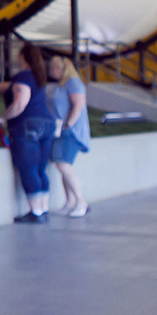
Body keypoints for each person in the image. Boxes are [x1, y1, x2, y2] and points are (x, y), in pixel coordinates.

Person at [0, 43, 58, 224]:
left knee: (28, 168)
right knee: (41, 169)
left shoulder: (23, 76)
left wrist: (2, 118)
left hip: (27, 126)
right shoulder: (39, 77)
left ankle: (35, 212)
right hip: (47, 124)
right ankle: (43, 209)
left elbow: (20, 104)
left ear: (23, 56)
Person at [47, 53, 90, 217]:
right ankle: (70, 202)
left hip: (70, 131)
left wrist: (68, 126)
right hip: (62, 129)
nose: (52, 70)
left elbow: (78, 106)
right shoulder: (62, 85)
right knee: (63, 165)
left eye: (55, 67)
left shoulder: (73, 83)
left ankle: (81, 201)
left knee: (63, 165)